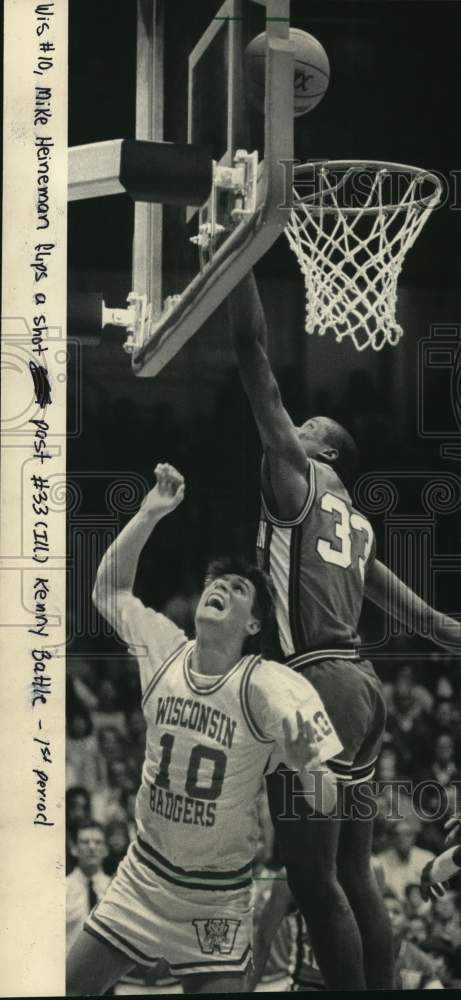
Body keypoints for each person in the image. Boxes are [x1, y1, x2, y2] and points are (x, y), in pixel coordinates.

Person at [228, 270, 461, 990]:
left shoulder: (295, 480)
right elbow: (428, 623)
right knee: (354, 874)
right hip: (362, 691)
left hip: (316, 689)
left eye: (304, 431)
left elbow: (252, 355)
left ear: (321, 454)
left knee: (312, 872)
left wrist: (236, 263)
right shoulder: (357, 530)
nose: (290, 430)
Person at [67, 463, 342, 996]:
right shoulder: (164, 648)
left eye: (238, 588)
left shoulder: (269, 687)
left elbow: (328, 799)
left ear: (254, 624)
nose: (221, 587)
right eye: (217, 581)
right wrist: (149, 513)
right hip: (142, 876)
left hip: (214, 898)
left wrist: (311, 765)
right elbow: (108, 591)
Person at [66, 822, 111, 954]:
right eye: (85, 842)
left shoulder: (115, 890)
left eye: (98, 842)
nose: (92, 847)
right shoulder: (62, 889)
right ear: (74, 848)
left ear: (105, 850)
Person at [383, 892, 444, 989]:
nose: (390, 916)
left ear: (406, 920)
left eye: (396, 912)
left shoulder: (420, 961)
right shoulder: (360, 953)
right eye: (383, 911)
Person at [378, 821, 435, 901]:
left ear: (414, 837)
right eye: (397, 835)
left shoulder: (427, 858)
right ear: (391, 838)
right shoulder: (380, 862)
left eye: (407, 835)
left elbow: (436, 890)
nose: (402, 839)